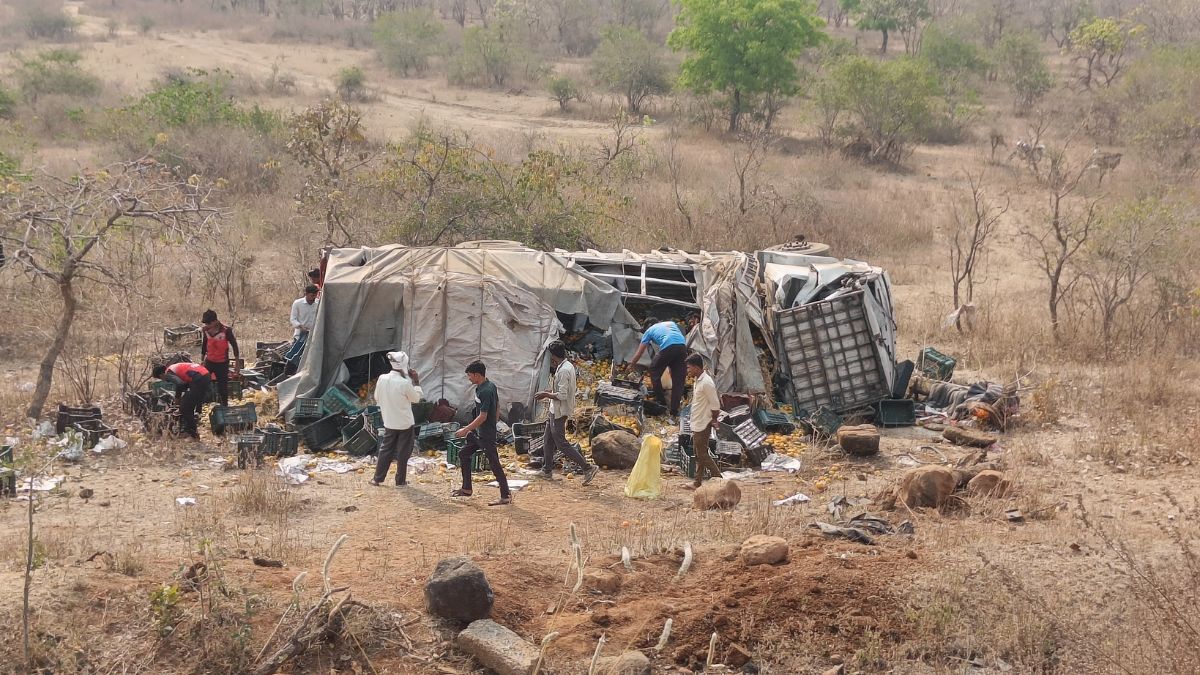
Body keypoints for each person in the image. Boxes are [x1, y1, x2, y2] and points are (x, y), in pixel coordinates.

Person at [534, 341, 598, 484]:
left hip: (559, 411)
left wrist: (546, 394)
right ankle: (547, 470)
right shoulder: (564, 366)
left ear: (554, 356)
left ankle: (587, 467)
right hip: (554, 410)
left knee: (561, 444)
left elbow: (562, 395)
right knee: (548, 440)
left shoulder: (563, 371)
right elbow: (561, 391)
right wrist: (548, 393)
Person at [452, 361, 512, 506]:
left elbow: (483, 416)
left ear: (477, 375)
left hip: (485, 434)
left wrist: (465, 429)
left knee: (494, 464)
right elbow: (497, 405)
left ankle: (506, 495)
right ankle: (467, 488)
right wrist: (495, 421)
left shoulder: (485, 390)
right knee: (463, 454)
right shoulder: (488, 386)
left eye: (470, 375)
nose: (469, 378)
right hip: (479, 432)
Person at [372, 351, 423, 487]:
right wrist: (416, 382)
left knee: (385, 449)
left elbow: (377, 397)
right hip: (405, 423)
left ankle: (377, 479)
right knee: (403, 452)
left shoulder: (382, 379)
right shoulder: (405, 383)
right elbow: (416, 399)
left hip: (389, 421)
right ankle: (400, 481)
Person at [628, 317, 688, 418]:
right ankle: (674, 410)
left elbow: (640, 352)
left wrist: (632, 364)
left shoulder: (649, 330)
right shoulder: (670, 323)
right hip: (682, 347)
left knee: (654, 370)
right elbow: (676, 341)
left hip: (669, 346)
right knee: (678, 380)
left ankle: (661, 402)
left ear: (648, 326)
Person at [686, 353, 723, 488]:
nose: (688, 371)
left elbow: (715, 404)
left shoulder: (707, 383)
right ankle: (697, 482)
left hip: (703, 423)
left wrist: (713, 419)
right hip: (697, 421)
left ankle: (719, 478)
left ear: (696, 367)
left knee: (701, 454)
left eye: (689, 368)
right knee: (699, 454)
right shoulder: (698, 380)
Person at [152, 362, 213, 440]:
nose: (164, 380)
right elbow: (185, 383)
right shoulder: (173, 367)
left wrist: (177, 398)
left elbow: (180, 384)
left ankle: (193, 435)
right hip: (205, 375)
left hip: (198, 379)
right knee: (188, 404)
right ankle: (188, 430)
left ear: (161, 375)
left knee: (185, 409)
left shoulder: (168, 373)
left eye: (161, 379)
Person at [200, 309, 240, 408]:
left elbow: (234, 346)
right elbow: (204, 344)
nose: (207, 325)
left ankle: (224, 407)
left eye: (209, 323)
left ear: (215, 321)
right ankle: (199, 407)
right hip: (209, 362)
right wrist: (202, 360)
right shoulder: (206, 331)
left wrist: (237, 363)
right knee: (201, 383)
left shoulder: (226, 331)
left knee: (223, 387)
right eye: (206, 323)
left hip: (222, 363)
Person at [284, 285, 319, 376]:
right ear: (306, 294)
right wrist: (300, 326)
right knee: (295, 356)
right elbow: (293, 319)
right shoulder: (298, 303)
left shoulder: (318, 303)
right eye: (311, 295)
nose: (313, 298)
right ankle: (288, 375)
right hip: (300, 334)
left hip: (313, 335)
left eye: (315, 295)